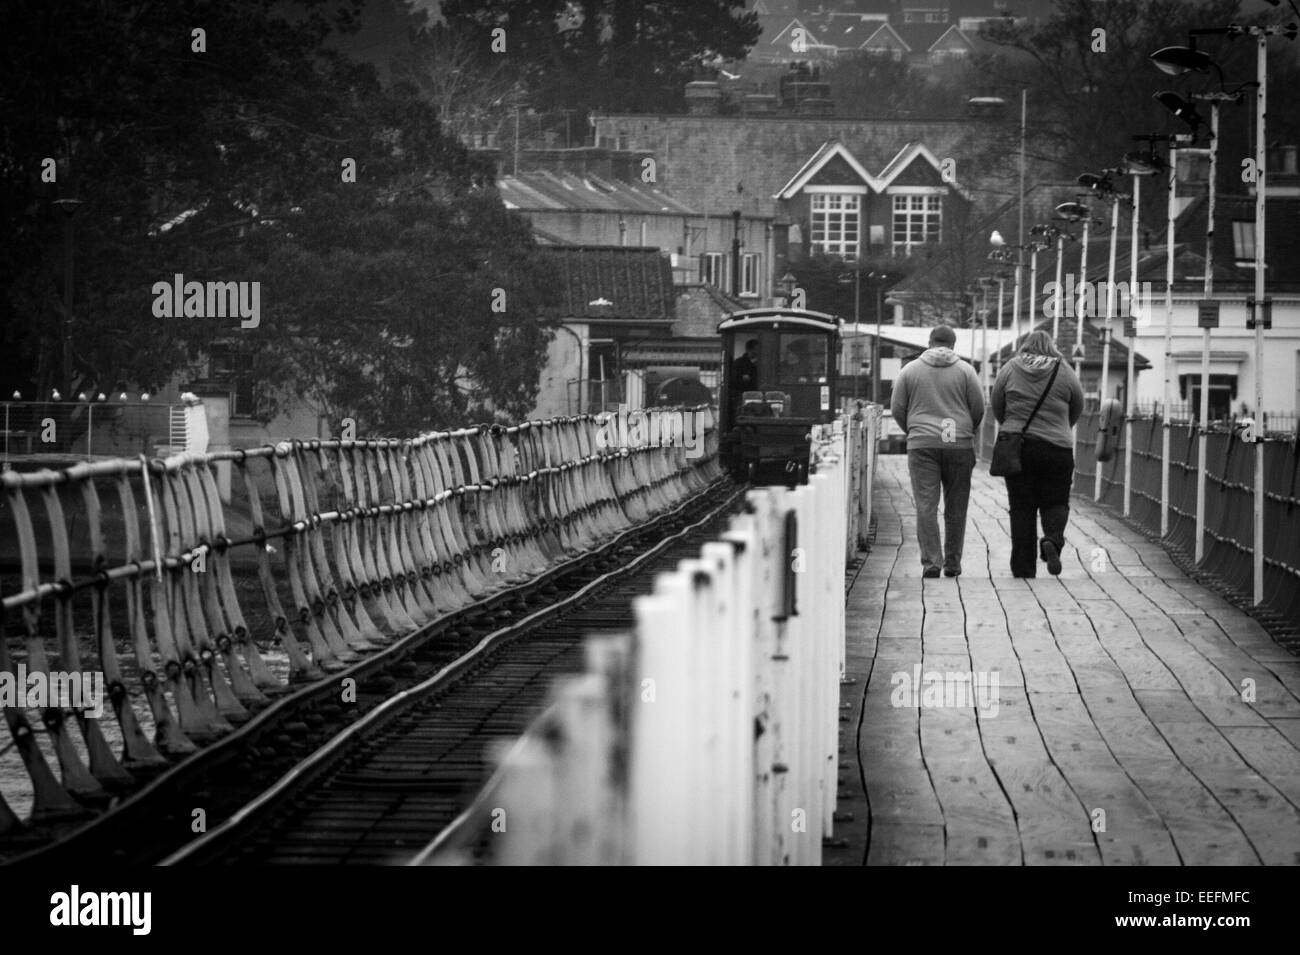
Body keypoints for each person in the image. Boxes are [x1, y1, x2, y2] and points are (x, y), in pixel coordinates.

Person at [890, 324, 984, 578]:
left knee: (926, 505)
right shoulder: (966, 371)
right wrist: (965, 430)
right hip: (958, 443)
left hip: (922, 444)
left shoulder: (909, 371)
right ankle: (952, 563)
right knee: (957, 506)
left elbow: (898, 408)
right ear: (953, 345)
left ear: (929, 342)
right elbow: (978, 408)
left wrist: (914, 430)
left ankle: (931, 562)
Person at [991, 329, 1084, 577]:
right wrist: (1062, 427)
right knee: (1056, 500)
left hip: (1019, 448)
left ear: (1025, 346)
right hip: (1057, 448)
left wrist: (1013, 426)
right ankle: (1052, 540)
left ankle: (1023, 567)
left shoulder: (1010, 368)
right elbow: (1078, 405)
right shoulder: (1064, 370)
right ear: (1051, 346)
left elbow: (997, 405)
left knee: (1021, 507)